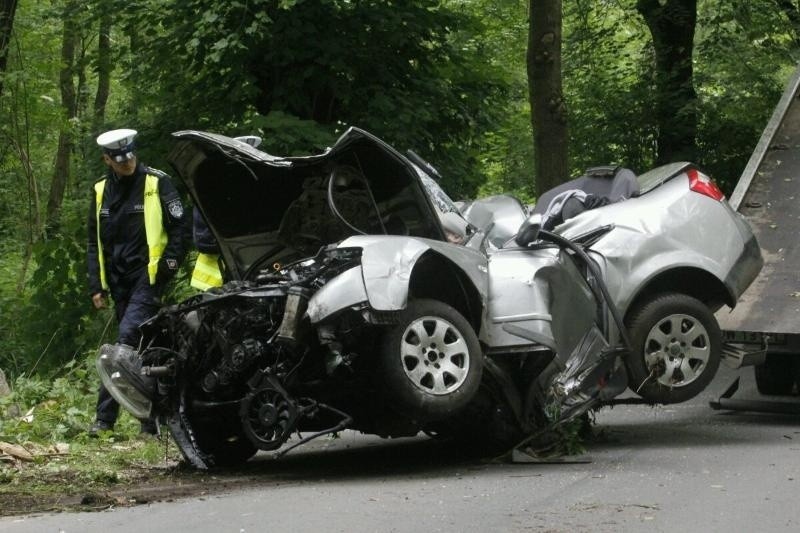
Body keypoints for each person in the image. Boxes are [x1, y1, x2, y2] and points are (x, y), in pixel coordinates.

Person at [87, 128, 187, 437]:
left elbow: (180, 230)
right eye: (120, 159)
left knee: (125, 342)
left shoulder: (157, 183)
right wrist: (96, 286)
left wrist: (168, 268)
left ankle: (104, 419)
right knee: (145, 348)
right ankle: (152, 420)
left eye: (131, 156)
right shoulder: (101, 190)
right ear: (107, 159)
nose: (128, 163)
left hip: (149, 277)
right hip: (118, 281)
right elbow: (94, 242)